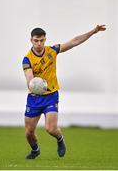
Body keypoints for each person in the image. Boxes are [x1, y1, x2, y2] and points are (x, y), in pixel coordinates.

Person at [22, 25, 106, 159]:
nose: (39, 43)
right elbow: (29, 78)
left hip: (51, 95)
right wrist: (33, 85)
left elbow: (74, 41)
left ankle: (60, 139)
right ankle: (35, 150)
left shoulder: (52, 50)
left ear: (45, 39)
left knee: (50, 129)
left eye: (42, 40)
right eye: (36, 40)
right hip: (34, 98)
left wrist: (93, 31)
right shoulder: (27, 59)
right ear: (31, 40)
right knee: (29, 133)